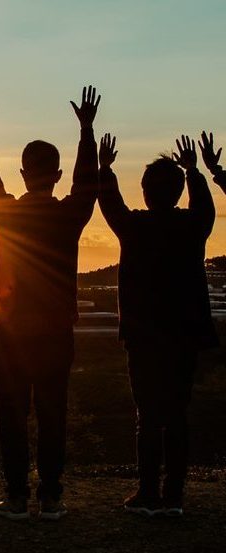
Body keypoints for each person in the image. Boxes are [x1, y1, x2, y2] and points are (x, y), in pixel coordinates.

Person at [0, 85, 100, 520]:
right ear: (56, 174)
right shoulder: (69, 215)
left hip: (9, 329)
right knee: (52, 413)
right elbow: (88, 184)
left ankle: (17, 496)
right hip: (56, 330)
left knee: (12, 415)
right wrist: (86, 131)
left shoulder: (7, 212)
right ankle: (51, 496)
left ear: (23, 173)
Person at [98, 133, 218, 517]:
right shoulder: (193, 226)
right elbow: (206, 209)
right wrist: (195, 172)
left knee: (147, 415)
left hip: (143, 336)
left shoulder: (134, 227)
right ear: (179, 192)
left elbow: (110, 204)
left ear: (146, 191)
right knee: (178, 413)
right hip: (183, 334)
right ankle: (174, 495)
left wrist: (105, 168)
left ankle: (147, 492)